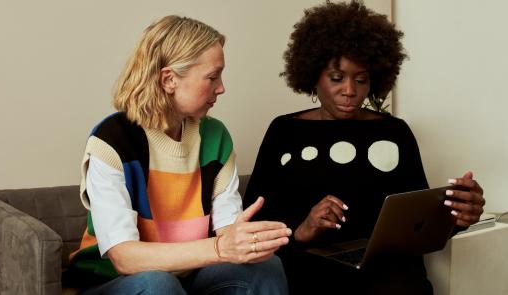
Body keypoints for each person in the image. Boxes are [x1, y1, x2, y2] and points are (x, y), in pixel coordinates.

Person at [243, 2, 485, 294]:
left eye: (361, 79)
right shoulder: (284, 131)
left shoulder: (394, 132)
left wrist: (457, 217)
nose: (350, 90)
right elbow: (252, 218)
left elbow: (417, 221)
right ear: (312, 74)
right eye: (337, 78)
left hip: (387, 271)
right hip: (308, 267)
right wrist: (302, 229)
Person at [67, 15, 292, 295]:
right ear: (169, 79)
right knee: (157, 283)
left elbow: (227, 234)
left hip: (187, 277)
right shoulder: (112, 140)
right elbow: (124, 258)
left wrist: (245, 241)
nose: (221, 88)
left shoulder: (215, 137)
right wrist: (221, 248)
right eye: (212, 77)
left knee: (266, 267)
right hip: (109, 283)